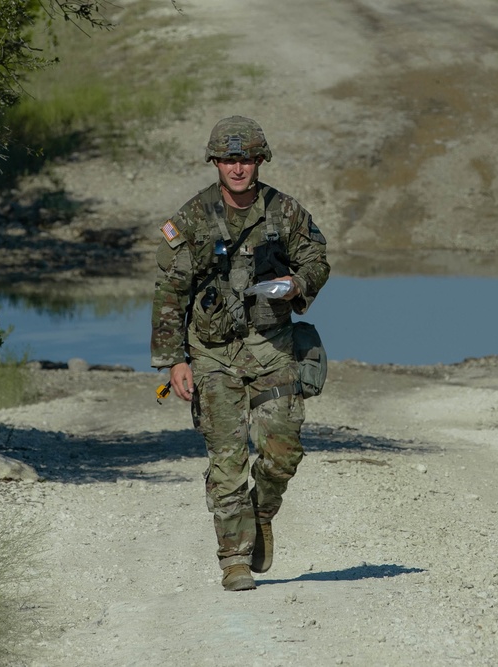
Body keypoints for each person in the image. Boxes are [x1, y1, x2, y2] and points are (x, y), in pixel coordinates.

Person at [151, 116, 330, 591]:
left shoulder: (284, 211)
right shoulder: (190, 219)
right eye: (229, 159)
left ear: (259, 161)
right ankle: (234, 559)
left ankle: (262, 512)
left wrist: (299, 283)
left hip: (272, 348)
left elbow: (316, 257)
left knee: (282, 451)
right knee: (226, 458)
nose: (238, 168)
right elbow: (171, 293)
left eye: (246, 158)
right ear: (215, 162)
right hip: (211, 353)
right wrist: (175, 360)